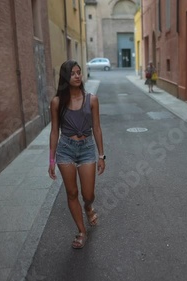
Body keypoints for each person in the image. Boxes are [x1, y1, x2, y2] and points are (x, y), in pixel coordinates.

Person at [48, 60, 106, 249]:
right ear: (66, 77)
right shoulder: (57, 102)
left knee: (88, 194)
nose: (77, 76)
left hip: (87, 148)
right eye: (73, 73)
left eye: (79, 72)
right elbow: (54, 131)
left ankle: (88, 207)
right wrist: (51, 159)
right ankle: (81, 231)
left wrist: (101, 156)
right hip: (65, 149)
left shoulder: (92, 99)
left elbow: (97, 128)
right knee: (72, 193)